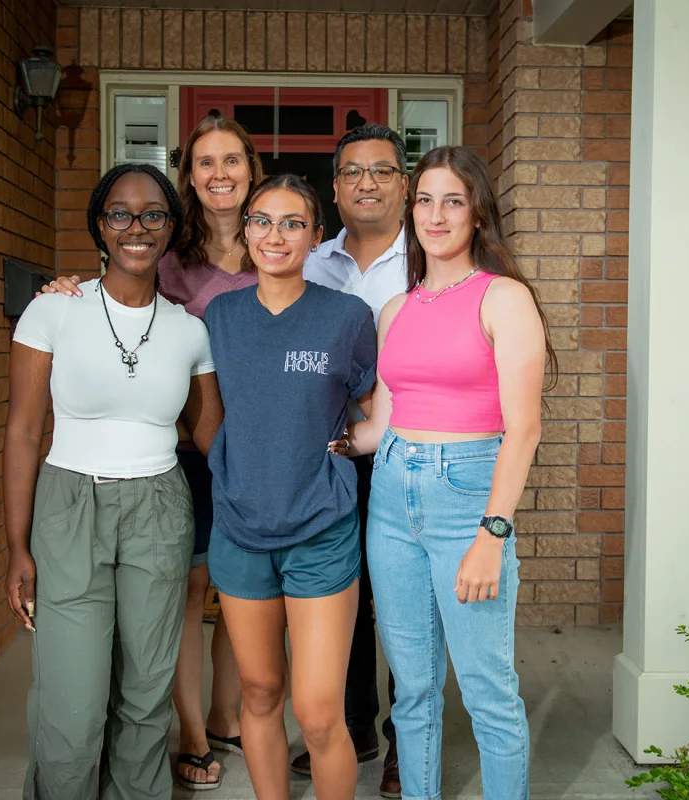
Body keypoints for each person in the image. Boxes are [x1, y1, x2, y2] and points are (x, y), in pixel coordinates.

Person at [37, 114, 260, 790]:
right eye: (204, 162)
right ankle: (190, 736)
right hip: (159, 456)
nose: (219, 173)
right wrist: (63, 291)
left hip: (227, 457)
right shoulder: (168, 256)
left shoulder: (284, 245)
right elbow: (119, 302)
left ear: (251, 167)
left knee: (223, 605)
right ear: (190, 176)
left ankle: (220, 722)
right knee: (174, 606)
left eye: (232, 160)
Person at [4, 163, 222, 800]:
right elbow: (22, 431)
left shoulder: (189, 331)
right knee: (72, 701)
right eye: (120, 214)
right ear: (99, 226)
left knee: (146, 691)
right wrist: (17, 545)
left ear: (171, 228)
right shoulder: (53, 313)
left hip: (159, 506)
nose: (136, 227)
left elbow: (212, 436)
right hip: (69, 502)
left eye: (153, 214)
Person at [345, 146, 556, 800]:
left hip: (468, 497)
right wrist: (304, 441)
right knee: (413, 691)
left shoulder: (505, 299)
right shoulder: (396, 312)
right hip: (390, 495)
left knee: (488, 691)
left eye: (453, 201)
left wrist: (491, 535)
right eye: (426, 200)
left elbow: (523, 428)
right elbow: (380, 424)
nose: (436, 215)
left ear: (477, 214)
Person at [206, 174, 376, 800]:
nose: (275, 235)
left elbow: (375, 406)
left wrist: (354, 445)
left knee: (318, 710)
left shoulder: (347, 318)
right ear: (245, 231)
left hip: (320, 531)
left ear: (315, 235)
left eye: (293, 223)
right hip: (241, 529)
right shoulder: (218, 317)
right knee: (259, 692)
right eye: (262, 221)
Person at [298, 123, 409, 799]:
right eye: (353, 172)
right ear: (335, 189)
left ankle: (406, 739)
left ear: (403, 183)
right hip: (332, 451)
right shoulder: (311, 262)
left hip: (408, 448)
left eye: (383, 171)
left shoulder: (428, 260)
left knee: (400, 596)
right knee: (340, 592)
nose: (367, 182)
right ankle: (350, 725)